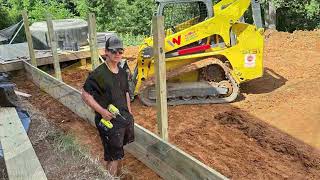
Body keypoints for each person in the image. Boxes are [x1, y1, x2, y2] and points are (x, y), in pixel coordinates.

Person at [81, 36, 134, 176]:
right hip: (108, 121)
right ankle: (110, 177)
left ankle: (118, 176)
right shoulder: (98, 74)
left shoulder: (123, 73)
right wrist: (102, 111)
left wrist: (129, 113)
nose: (117, 54)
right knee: (113, 156)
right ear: (106, 52)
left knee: (119, 152)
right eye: (113, 51)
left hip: (123, 120)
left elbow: (126, 93)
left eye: (120, 51)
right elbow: (85, 95)